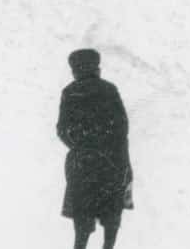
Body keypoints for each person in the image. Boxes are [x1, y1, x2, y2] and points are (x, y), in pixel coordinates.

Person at [57, 49, 132, 249]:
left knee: (81, 224)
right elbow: (122, 127)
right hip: (111, 163)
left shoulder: (70, 92)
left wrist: (83, 146)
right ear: (96, 68)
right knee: (111, 219)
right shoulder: (109, 90)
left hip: (83, 166)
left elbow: (63, 130)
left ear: (75, 70)